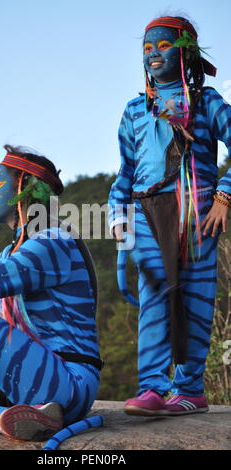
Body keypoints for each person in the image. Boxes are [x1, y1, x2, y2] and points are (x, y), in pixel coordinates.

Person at [0, 145, 102, 440]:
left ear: (24, 188)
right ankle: (6, 419)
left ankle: (31, 413)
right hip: (32, 386)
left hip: (69, 383)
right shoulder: (15, 252)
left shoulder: (54, 241)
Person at [108, 15, 230, 416]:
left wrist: (225, 197)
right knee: (155, 290)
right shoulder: (133, 110)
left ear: (185, 52)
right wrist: (118, 216)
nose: (154, 54)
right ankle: (153, 388)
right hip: (146, 209)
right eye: (147, 49)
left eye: (163, 46)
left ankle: (191, 390)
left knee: (195, 298)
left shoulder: (207, 102)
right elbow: (125, 170)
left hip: (197, 210)